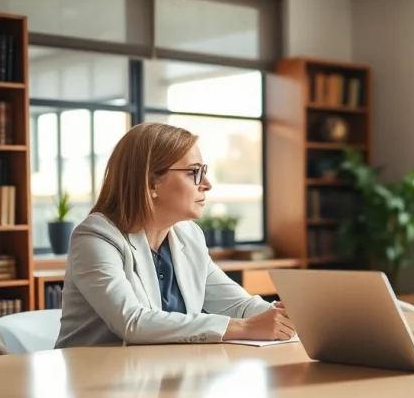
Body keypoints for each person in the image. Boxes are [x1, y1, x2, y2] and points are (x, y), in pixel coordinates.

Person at [54, 122, 294, 348]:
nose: (207, 184)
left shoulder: (188, 236)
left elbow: (237, 304)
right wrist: (245, 327)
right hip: (95, 381)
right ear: (151, 183)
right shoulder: (95, 237)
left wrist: (285, 318)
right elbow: (132, 322)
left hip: (162, 374)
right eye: (194, 172)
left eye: (204, 172)